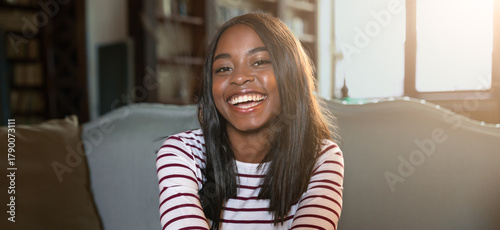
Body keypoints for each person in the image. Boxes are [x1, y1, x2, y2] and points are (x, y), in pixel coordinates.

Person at [156, 13, 344, 230]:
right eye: (224, 68)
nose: (239, 77)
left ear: (291, 74)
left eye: (260, 62)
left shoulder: (321, 158)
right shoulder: (182, 153)